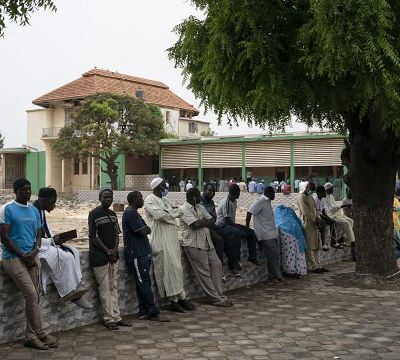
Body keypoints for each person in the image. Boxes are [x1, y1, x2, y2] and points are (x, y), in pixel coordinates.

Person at [0, 178, 57, 350]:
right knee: (31, 295)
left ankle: (30, 336)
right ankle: (41, 333)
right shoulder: (7, 209)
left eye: (29, 189)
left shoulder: (34, 211)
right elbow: (5, 237)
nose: (27, 192)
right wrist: (23, 255)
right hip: (12, 258)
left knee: (35, 297)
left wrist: (34, 251)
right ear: (15, 191)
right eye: (23, 189)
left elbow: (38, 235)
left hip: (31, 257)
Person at [144, 177, 197, 313]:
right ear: (156, 187)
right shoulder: (149, 199)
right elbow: (159, 215)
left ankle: (181, 298)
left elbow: (178, 211)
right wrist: (172, 213)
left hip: (172, 239)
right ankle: (172, 300)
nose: (166, 187)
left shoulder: (166, 200)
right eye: (163, 185)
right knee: (167, 268)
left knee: (177, 268)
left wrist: (171, 213)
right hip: (160, 240)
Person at [34, 187, 92, 309]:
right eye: (52, 202)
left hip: (46, 243)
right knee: (65, 257)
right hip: (37, 248)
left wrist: (57, 239)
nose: (54, 206)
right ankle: (68, 293)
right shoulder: (33, 212)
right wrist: (51, 241)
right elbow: (33, 238)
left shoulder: (41, 210)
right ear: (43, 200)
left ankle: (75, 287)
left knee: (75, 252)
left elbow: (46, 231)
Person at [180, 188, 233, 307]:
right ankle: (215, 299)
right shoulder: (183, 209)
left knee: (217, 265)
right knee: (204, 272)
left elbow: (212, 221)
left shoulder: (200, 207)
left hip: (206, 242)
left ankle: (219, 295)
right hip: (194, 244)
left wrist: (201, 222)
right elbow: (195, 225)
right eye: (199, 195)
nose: (201, 197)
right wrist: (203, 222)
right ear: (194, 197)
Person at [88, 188, 132, 330]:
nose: (108, 199)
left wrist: (114, 249)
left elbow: (116, 234)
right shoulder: (94, 214)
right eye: (105, 197)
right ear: (100, 198)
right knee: (105, 288)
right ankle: (108, 319)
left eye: (110, 197)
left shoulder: (113, 215)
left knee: (114, 287)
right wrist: (108, 251)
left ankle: (117, 317)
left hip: (113, 257)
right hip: (100, 257)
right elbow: (93, 237)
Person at [122, 191, 169, 322]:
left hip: (142, 252)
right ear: (134, 199)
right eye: (141, 198)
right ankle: (153, 312)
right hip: (137, 254)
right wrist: (145, 229)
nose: (143, 201)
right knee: (144, 283)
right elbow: (143, 230)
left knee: (142, 283)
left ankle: (144, 311)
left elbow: (148, 229)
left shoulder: (134, 213)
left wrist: (145, 229)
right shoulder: (130, 213)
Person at [215, 184, 261, 275]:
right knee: (236, 233)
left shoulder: (234, 201)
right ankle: (235, 262)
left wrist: (241, 228)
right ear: (235, 193)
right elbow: (227, 220)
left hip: (230, 223)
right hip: (223, 225)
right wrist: (237, 228)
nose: (239, 194)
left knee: (251, 232)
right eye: (239, 192)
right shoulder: (227, 202)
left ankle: (252, 257)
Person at [246, 186, 285, 283]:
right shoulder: (260, 201)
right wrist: (247, 228)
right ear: (269, 193)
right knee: (272, 256)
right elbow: (249, 212)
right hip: (265, 234)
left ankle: (272, 276)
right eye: (274, 193)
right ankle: (278, 276)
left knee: (274, 255)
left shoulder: (267, 202)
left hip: (272, 233)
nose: (274, 195)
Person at [200, 183, 235, 270]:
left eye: (214, 191)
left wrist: (211, 217)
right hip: (204, 227)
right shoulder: (200, 202)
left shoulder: (211, 202)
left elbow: (214, 217)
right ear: (204, 191)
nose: (212, 193)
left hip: (212, 225)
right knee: (219, 240)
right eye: (210, 191)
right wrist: (210, 217)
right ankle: (219, 267)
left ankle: (232, 264)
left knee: (228, 235)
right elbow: (202, 219)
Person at [297, 182, 327, 274]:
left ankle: (319, 265)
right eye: (311, 189)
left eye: (313, 190)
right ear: (307, 188)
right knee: (310, 246)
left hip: (315, 223)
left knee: (318, 245)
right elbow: (306, 212)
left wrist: (318, 219)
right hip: (307, 223)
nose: (312, 191)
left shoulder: (310, 197)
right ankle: (314, 266)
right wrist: (315, 220)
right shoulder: (301, 198)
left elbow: (315, 209)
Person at [274, 205, 308, 278]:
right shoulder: (290, 211)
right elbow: (299, 221)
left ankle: (290, 272)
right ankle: (299, 271)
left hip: (286, 232)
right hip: (297, 232)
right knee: (299, 252)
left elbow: (275, 223)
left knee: (288, 252)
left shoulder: (277, 213)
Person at [324, 182, 355, 247]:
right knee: (346, 223)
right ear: (327, 189)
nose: (333, 190)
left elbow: (335, 206)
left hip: (337, 213)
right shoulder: (324, 198)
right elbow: (331, 210)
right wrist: (343, 206)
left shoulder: (331, 196)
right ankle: (352, 241)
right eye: (331, 189)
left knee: (351, 221)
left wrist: (341, 207)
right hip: (331, 215)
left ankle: (342, 238)